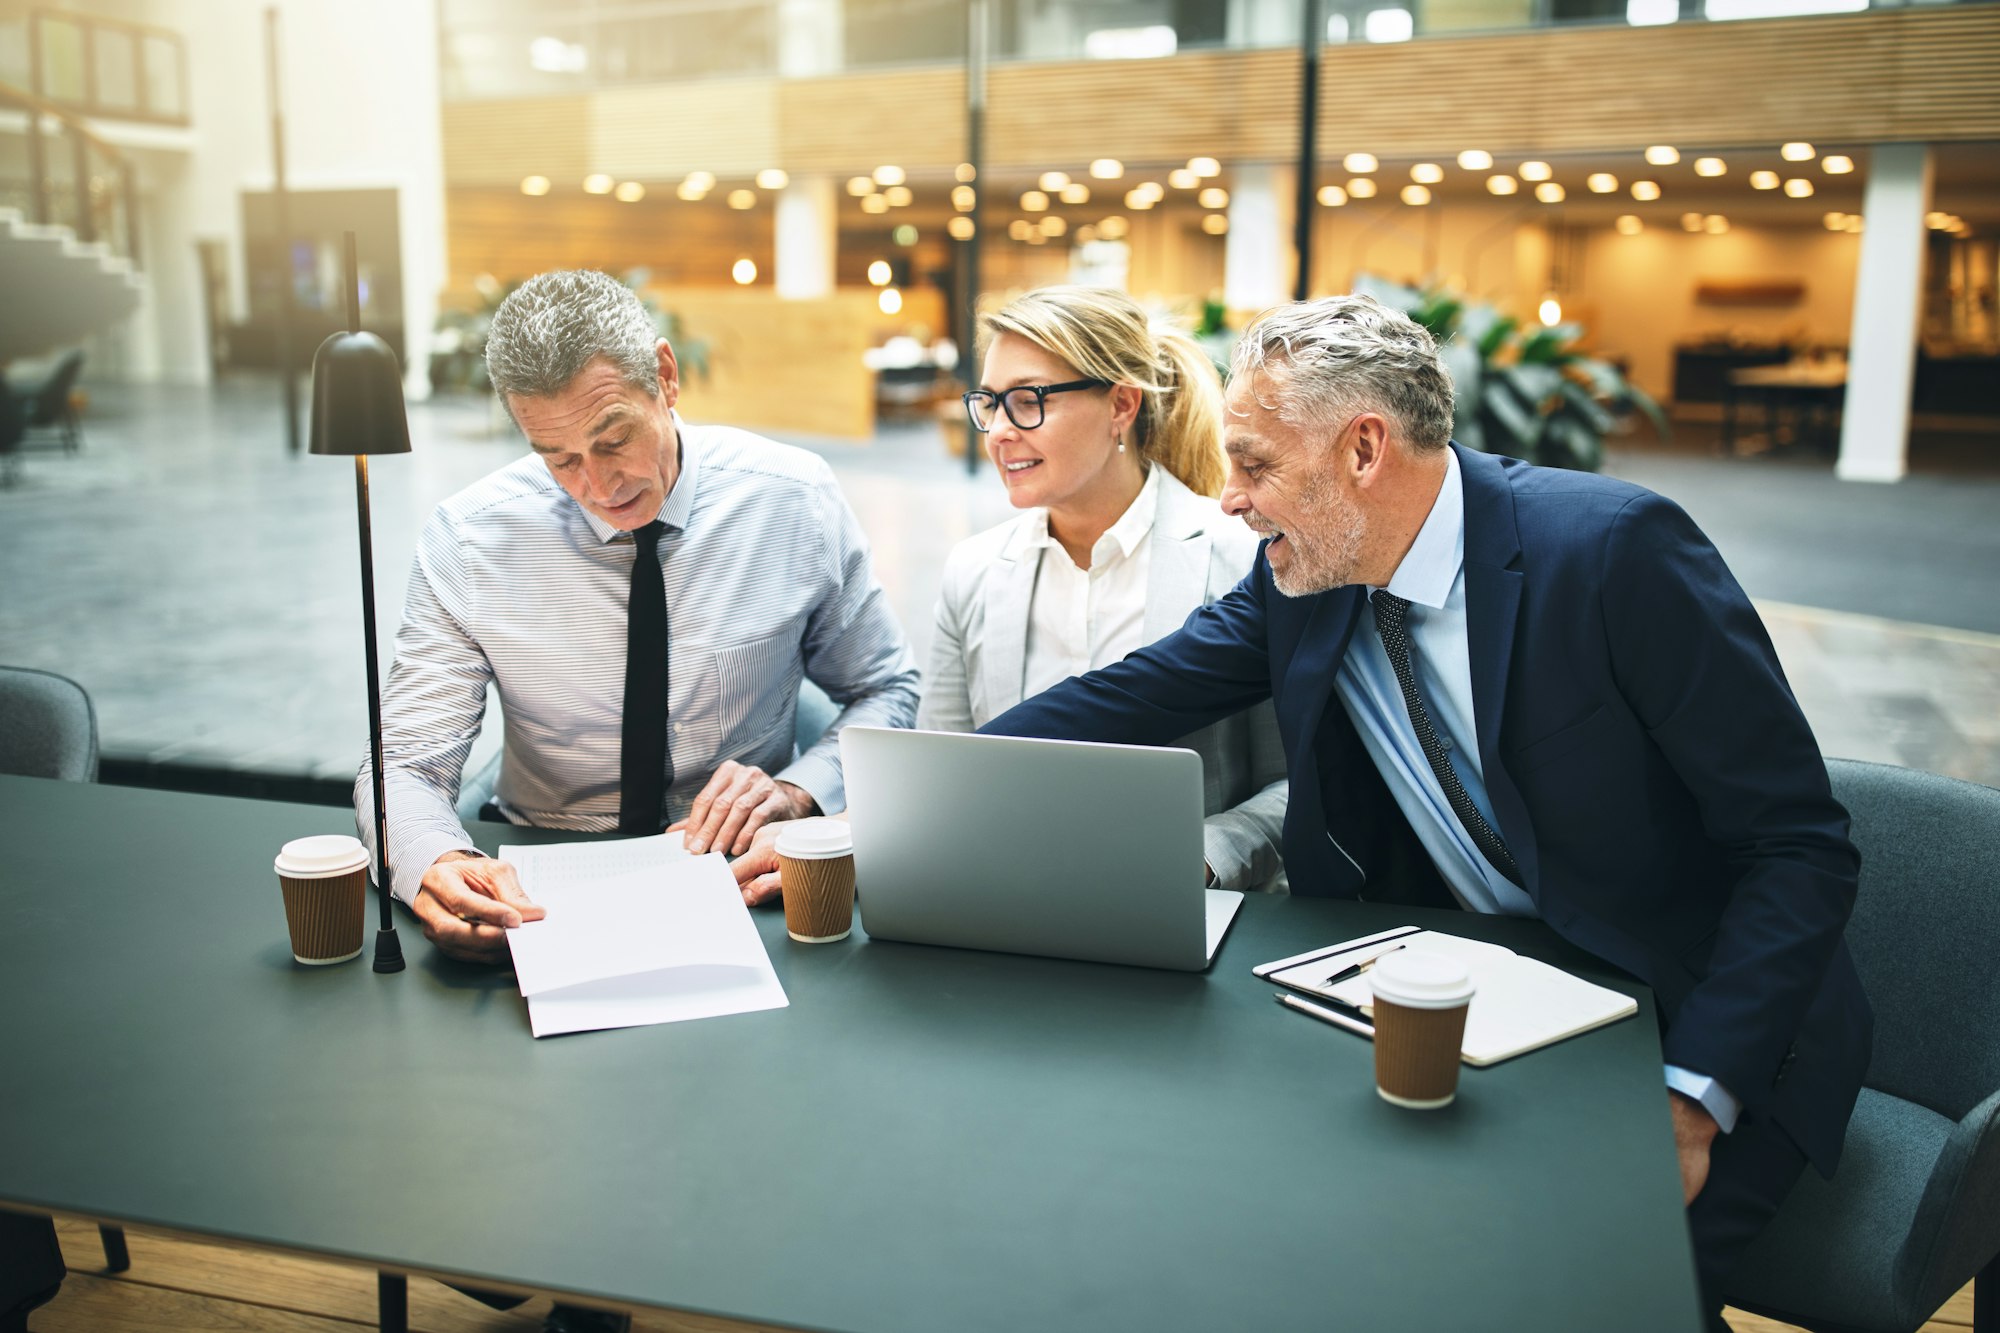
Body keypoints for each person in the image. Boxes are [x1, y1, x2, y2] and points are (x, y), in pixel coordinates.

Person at [974, 295, 1870, 1329]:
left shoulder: (1612, 554)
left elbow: (1797, 847)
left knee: (1569, 1298)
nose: (1229, 500)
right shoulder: (1305, 575)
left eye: (1256, 465)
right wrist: (919, 788)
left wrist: (1688, 1096)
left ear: (1363, 449)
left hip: (1694, 1017)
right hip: (1476, 997)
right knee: (1308, 1243)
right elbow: (1132, 694)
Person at [356, 268, 920, 967]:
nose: (598, 486)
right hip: (543, 871)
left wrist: (800, 791)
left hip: (746, 875)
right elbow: (405, 765)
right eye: (559, 460)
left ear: (665, 376)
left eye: (613, 439)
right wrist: (434, 862)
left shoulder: (792, 503)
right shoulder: (472, 541)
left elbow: (888, 690)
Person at [918, 285, 1286, 894]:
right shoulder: (974, 571)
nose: (1000, 431)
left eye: (1029, 400)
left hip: (1189, 912)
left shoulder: (1240, 556)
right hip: (1003, 897)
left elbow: (1301, 781)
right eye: (989, 403)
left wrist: (1205, 855)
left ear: (1121, 405)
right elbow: (936, 768)